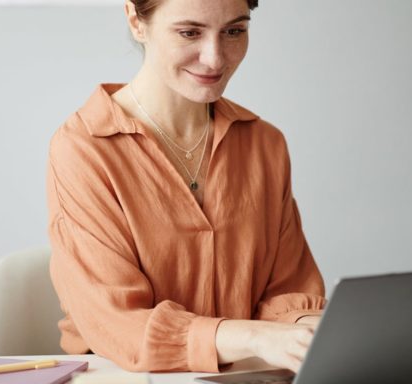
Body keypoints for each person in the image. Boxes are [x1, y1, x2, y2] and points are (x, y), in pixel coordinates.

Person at [46, 0, 326, 374]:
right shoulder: (83, 149)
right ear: (136, 20)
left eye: (234, 31)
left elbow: (288, 293)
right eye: (190, 32)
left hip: (243, 376)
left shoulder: (265, 144)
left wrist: (309, 329)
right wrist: (255, 337)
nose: (215, 58)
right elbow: (118, 323)